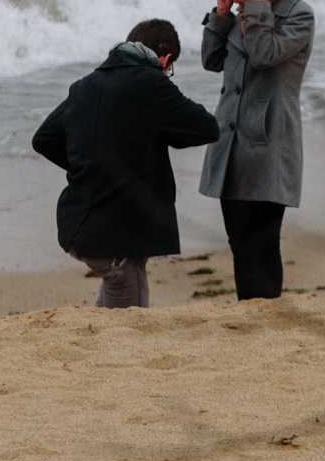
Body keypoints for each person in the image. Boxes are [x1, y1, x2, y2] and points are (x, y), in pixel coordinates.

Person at [31, 19, 220, 308]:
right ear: (165, 60)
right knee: (132, 323)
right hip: (117, 235)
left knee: (112, 300)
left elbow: (44, 139)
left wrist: (89, 168)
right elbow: (207, 127)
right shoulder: (152, 82)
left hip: (78, 223)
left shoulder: (85, 85)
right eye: (170, 68)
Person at [198, 0, 313, 301]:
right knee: (239, 243)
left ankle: (267, 314)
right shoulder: (241, 12)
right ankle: (249, 314)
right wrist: (221, 14)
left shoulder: (299, 16)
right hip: (230, 144)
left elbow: (264, 55)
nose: (237, 1)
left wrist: (258, 7)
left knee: (262, 244)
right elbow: (211, 61)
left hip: (268, 143)